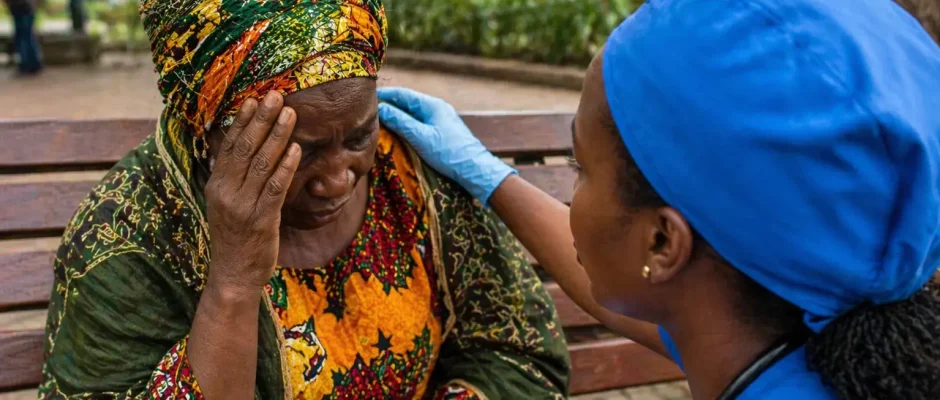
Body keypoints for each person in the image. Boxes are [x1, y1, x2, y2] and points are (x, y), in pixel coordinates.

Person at [377, 0, 940, 399]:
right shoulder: (798, 331)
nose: (574, 193)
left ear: (663, 242)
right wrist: (487, 175)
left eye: (580, 167)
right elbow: (613, 287)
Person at [38, 1, 568, 399]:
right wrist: (234, 281)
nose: (339, 179)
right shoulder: (127, 235)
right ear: (212, 134)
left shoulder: (407, 173)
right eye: (299, 153)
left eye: (360, 136)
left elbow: (520, 353)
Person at [3, 0, 42, 75]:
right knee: (27, 36)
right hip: (25, 8)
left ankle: (26, 64)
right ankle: (33, 63)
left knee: (23, 38)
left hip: (20, 8)